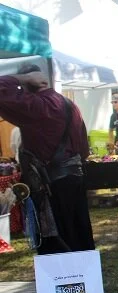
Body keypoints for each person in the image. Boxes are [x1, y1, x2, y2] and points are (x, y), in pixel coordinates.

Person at [0, 66, 95, 254]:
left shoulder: (37, 106)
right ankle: (84, 272)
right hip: (74, 179)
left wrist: (22, 78)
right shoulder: (70, 105)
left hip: (52, 185)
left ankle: (67, 273)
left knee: (57, 243)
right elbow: (84, 150)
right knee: (79, 236)